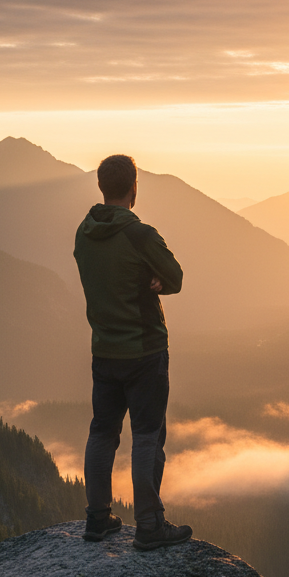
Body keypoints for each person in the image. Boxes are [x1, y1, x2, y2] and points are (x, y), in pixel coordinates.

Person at [73, 154, 192, 550]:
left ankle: (97, 517)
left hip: (104, 350)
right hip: (144, 351)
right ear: (133, 187)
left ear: (101, 186)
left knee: (102, 431)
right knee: (147, 436)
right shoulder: (140, 235)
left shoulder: (85, 232)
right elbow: (175, 277)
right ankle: (150, 526)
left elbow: (103, 275)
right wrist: (153, 278)